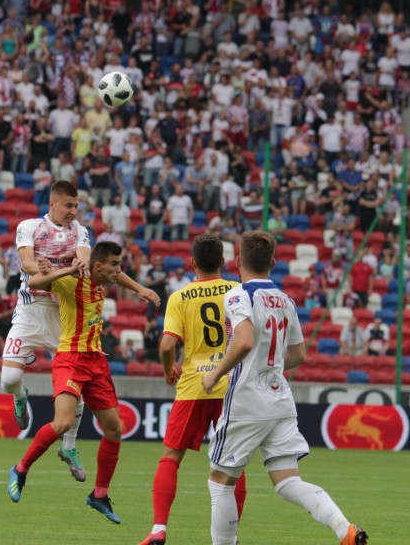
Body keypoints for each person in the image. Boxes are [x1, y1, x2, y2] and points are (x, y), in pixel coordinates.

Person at [201, 230, 367, 545]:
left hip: (247, 399)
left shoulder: (238, 295)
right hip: (279, 398)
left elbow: (245, 340)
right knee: (287, 481)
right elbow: (299, 354)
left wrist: (216, 374)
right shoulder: (284, 299)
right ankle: (345, 529)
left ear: (237, 261)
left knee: (220, 482)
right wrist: (272, 366)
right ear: (274, 262)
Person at [0, 180, 159, 485]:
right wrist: (44, 268)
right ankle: (20, 396)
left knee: (79, 379)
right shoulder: (30, 226)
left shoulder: (80, 232)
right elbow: (28, 264)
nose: (73, 212)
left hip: (64, 312)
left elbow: (88, 262)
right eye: (68, 206)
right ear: (52, 204)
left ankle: (69, 447)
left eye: (76, 206)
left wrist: (137, 287)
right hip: (30, 312)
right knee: (8, 379)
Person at [139, 234, 247, 545]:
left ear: (193, 263)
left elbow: (167, 345)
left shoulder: (180, 297)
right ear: (224, 263)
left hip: (193, 386)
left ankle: (159, 529)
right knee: (233, 464)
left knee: (171, 457)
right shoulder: (237, 291)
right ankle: (232, 535)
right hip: (231, 384)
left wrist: (168, 370)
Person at [7, 241, 125, 525]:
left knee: (114, 429)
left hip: (96, 362)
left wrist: (142, 290)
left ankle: (99, 495)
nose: (118, 271)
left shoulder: (100, 281)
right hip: (70, 360)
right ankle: (20, 469)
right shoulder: (71, 283)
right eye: (114, 265)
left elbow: (119, 276)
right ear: (97, 266)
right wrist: (64, 270)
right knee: (62, 423)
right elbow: (35, 281)